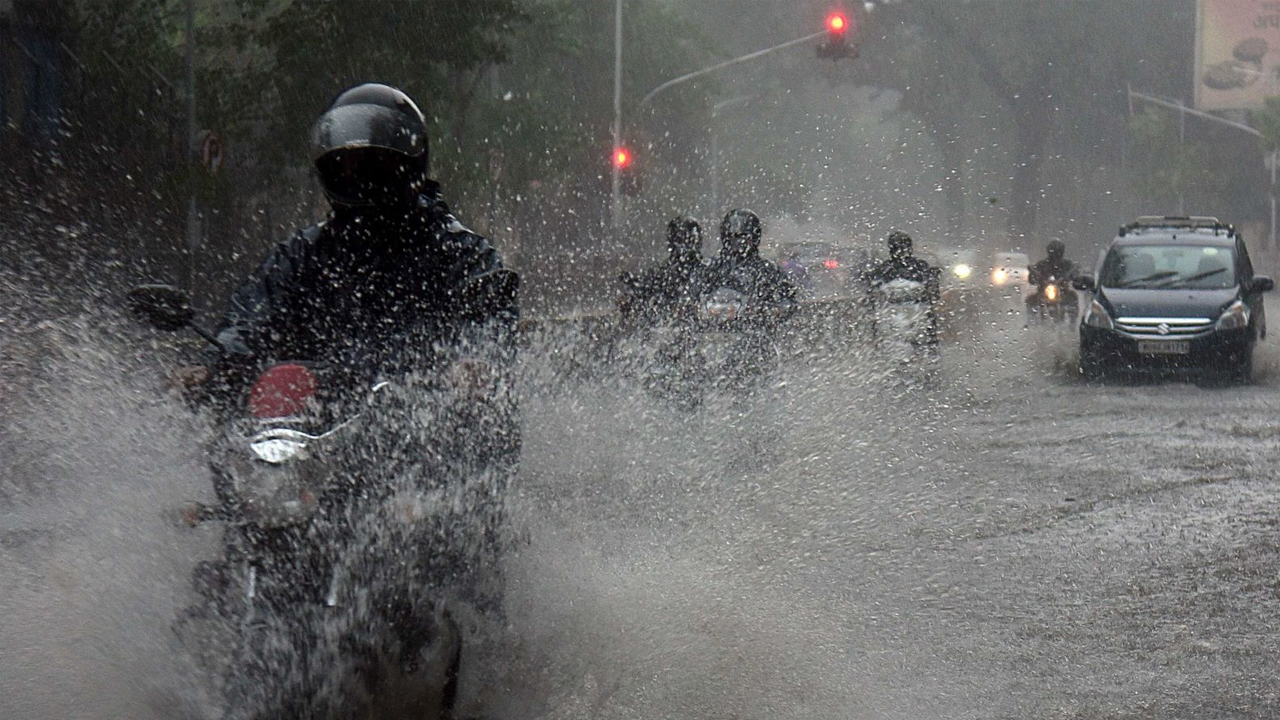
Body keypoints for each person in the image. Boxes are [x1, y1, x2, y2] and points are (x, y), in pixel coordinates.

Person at [176, 83, 518, 397]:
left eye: (371, 164)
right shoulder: (302, 255)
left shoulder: (462, 254)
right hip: (307, 425)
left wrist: (474, 362)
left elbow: (488, 322)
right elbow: (251, 316)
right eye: (344, 165)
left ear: (406, 165)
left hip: (421, 430)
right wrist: (214, 365)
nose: (355, 176)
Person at [620, 215, 709, 322]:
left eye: (687, 240)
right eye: (680, 240)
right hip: (671, 323)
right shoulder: (666, 270)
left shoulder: (706, 269)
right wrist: (635, 284)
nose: (683, 246)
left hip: (698, 323)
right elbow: (650, 284)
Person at [706, 208, 798, 308]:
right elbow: (696, 294)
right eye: (732, 236)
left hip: (754, 321)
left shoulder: (768, 271)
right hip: (712, 321)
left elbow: (787, 301)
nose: (737, 241)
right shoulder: (712, 269)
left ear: (754, 238)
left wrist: (768, 310)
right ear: (725, 237)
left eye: (743, 236)